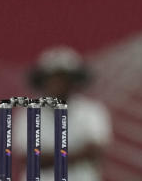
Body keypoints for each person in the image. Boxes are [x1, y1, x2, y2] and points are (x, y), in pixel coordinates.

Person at [13, 46, 111, 181]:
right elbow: (29, 160)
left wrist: (49, 156)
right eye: (53, 78)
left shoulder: (92, 111)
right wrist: (77, 153)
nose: (58, 83)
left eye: (64, 78)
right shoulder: (27, 114)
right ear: (43, 80)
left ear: (74, 80)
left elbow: (94, 152)